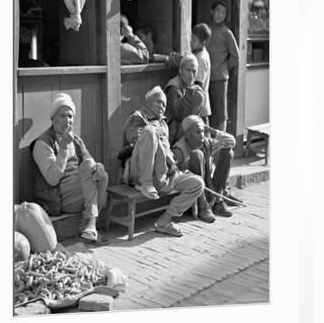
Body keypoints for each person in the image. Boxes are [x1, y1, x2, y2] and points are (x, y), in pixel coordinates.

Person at [120, 86, 204, 237]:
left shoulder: (163, 123)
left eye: (164, 104)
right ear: (147, 102)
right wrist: (152, 129)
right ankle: (145, 184)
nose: (162, 106)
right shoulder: (137, 117)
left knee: (197, 184)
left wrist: (173, 163)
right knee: (150, 132)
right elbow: (137, 144)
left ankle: (164, 221)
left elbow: (166, 153)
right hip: (141, 173)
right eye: (158, 102)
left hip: (165, 174)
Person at [32, 93, 110, 245]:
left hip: (82, 190)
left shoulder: (76, 140)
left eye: (70, 116)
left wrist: (98, 167)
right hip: (60, 197)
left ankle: (88, 225)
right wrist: (62, 148)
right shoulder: (42, 144)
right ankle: (91, 223)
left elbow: (89, 160)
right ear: (53, 119)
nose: (67, 120)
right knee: (92, 174)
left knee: (102, 174)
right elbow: (53, 179)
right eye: (62, 115)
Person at [172, 115, 236, 218]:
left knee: (228, 152)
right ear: (187, 134)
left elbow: (231, 142)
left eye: (203, 131)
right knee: (197, 155)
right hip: (192, 193)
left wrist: (211, 130)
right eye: (198, 132)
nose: (202, 135)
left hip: (208, 186)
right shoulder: (179, 150)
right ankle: (203, 207)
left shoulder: (206, 143)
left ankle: (218, 201)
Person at [206, 0, 240, 131]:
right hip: (205, 77)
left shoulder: (226, 32)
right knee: (207, 111)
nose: (220, 15)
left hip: (220, 79)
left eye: (223, 13)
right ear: (212, 12)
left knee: (221, 115)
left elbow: (235, 56)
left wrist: (224, 68)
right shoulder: (206, 29)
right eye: (218, 11)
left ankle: (222, 143)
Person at [164, 53, 205, 146]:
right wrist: (190, 93)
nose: (191, 75)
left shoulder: (193, 88)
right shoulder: (173, 87)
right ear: (181, 71)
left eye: (194, 71)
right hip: (172, 135)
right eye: (188, 70)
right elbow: (178, 115)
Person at [191, 23, 212, 124]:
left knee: (203, 128)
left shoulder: (201, 58)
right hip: (199, 103)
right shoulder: (197, 53)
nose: (191, 42)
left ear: (203, 42)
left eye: (194, 40)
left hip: (199, 104)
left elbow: (198, 84)